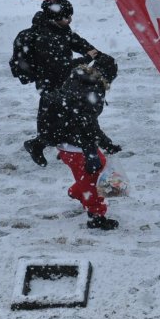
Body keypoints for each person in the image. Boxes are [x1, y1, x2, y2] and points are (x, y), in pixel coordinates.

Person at [9, 0, 100, 167]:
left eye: (70, 16)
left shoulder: (59, 28)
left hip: (63, 82)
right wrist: (87, 59)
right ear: (54, 18)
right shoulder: (44, 37)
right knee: (55, 121)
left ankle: (64, 148)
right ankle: (37, 145)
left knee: (68, 117)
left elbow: (74, 40)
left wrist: (94, 52)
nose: (70, 20)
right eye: (67, 17)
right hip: (50, 83)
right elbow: (62, 67)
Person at [37, 54, 122, 230]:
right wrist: (92, 151)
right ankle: (96, 216)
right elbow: (87, 124)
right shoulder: (94, 90)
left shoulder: (76, 79)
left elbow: (81, 119)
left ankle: (76, 192)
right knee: (96, 178)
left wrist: (105, 144)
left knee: (91, 172)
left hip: (64, 142)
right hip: (77, 145)